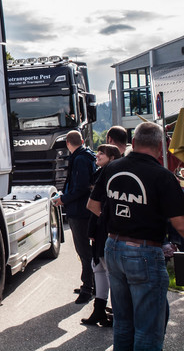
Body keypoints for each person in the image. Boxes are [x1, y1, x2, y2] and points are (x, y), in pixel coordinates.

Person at [87, 122, 184, 350]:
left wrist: (117, 220)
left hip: (113, 247)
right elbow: (180, 223)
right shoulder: (162, 176)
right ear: (159, 146)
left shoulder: (111, 168)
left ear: (136, 141)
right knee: (147, 328)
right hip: (144, 253)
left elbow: (92, 204)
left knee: (123, 323)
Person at [53, 130, 96, 304]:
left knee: (84, 251)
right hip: (86, 209)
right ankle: (92, 283)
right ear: (82, 140)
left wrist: (63, 199)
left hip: (79, 211)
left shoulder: (78, 159)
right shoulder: (88, 156)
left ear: (67, 144)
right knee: (87, 251)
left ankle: (88, 288)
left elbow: (81, 188)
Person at [81, 144, 121, 327]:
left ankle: (113, 311)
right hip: (100, 227)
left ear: (112, 157)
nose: (97, 155)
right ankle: (99, 310)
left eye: (101, 153)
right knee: (98, 267)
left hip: (106, 229)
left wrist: (104, 221)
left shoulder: (110, 174)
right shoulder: (101, 173)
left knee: (109, 270)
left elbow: (96, 205)